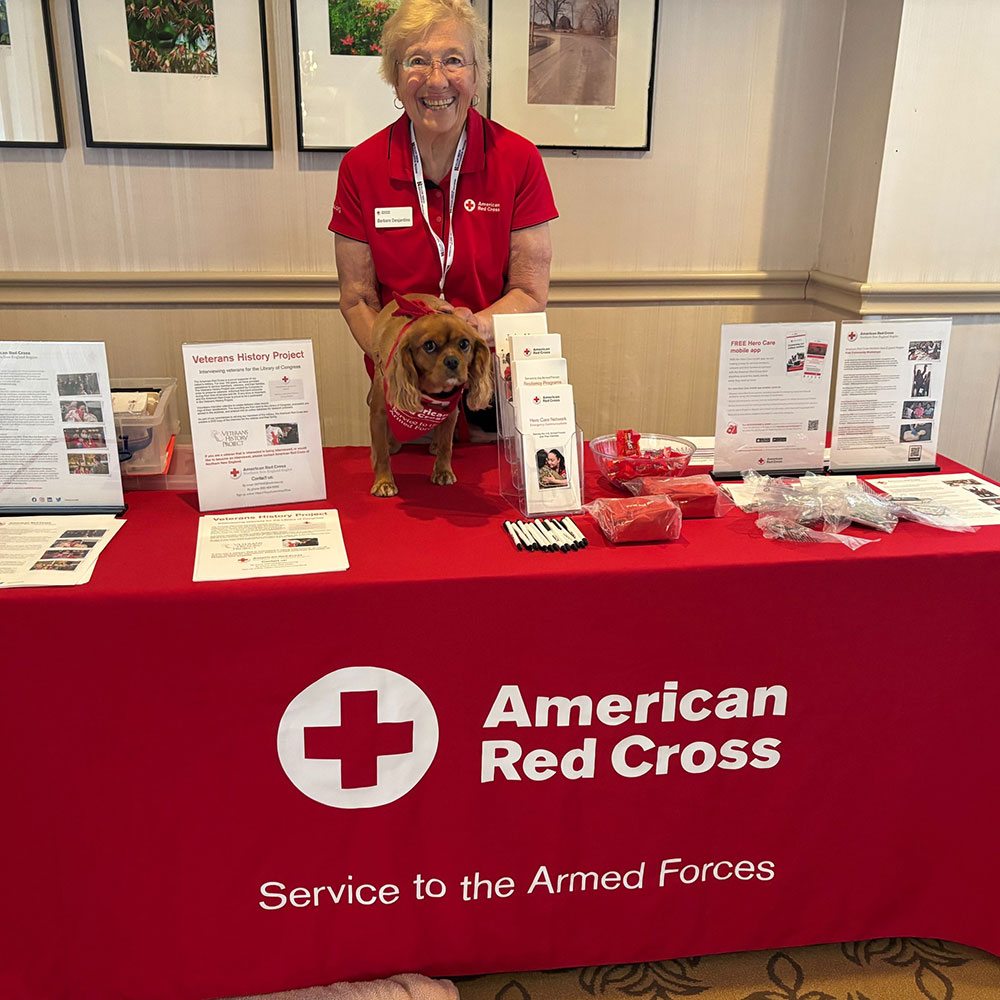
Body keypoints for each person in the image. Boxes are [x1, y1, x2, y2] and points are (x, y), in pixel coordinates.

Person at [330, 0, 557, 429]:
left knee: (489, 471)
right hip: (406, 388)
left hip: (488, 386)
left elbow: (530, 292)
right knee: (402, 472)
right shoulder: (360, 167)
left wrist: (477, 329)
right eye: (417, 61)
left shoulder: (518, 159)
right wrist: (400, 357)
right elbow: (357, 298)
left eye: (454, 60)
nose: (437, 80)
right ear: (395, 76)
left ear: (476, 74)